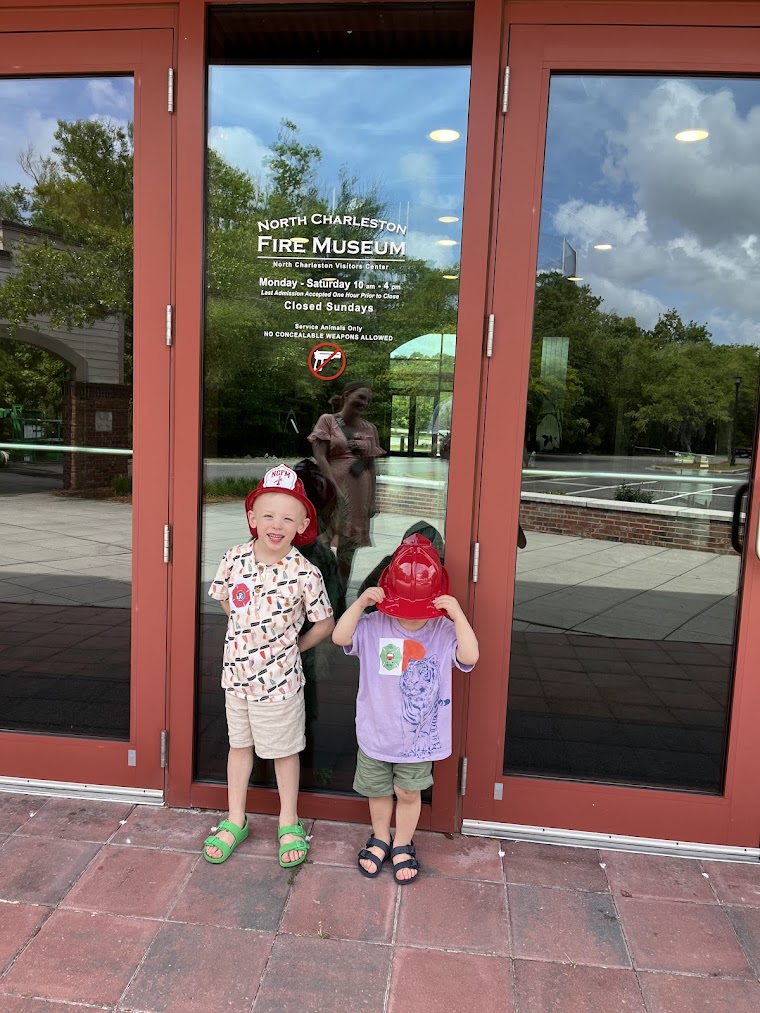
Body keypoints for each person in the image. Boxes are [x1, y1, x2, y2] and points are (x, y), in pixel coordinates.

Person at [203, 464, 335, 868]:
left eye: (288, 518)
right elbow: (225, 599)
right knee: (239, 746)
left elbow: (324, 623)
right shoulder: (234, 558)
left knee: (284, 752)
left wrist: (295, 646)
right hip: (237, 678)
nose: (277, 525)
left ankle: (288, 821)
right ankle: (236, 819)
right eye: (269, 515)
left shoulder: (305, 573)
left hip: (279, 683)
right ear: (252, 518)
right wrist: (246, 634)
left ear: (302, 525)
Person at [332, 533, 479, 883]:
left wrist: (457, 615)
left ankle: (402, 841)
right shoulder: (374, 625)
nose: (413, 617)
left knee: (409, 791)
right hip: (376, 732)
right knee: (378, 790)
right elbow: (340, 637)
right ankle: (381, 837)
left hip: (418, 739)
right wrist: (360, 604)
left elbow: (470, 656)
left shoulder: (443, 630)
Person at [308, 381, 385, 592]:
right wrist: (333, 487)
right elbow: (320, 457)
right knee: (322, 546)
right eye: (361, 397)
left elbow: (372, 466)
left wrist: (373, 500)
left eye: (368, 400)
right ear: (347, 395)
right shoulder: (328, 421)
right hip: (329, 494)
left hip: (359, 497)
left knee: (347, 551)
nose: (365, 403)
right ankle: (319, 592)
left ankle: (339, 594)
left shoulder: (370, 429)